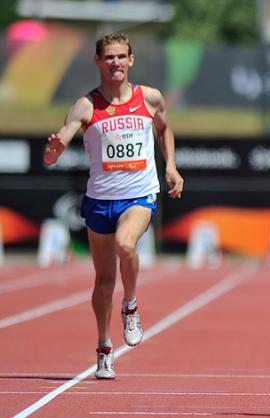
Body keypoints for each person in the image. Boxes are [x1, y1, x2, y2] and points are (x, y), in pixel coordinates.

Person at [43, 32, 184, 379]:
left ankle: (131, 304)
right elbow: (52, 153)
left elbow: (164, 129)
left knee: (126, 243)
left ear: (131, 60)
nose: (116, 63)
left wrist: (170, 166)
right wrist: (53, 151)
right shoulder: (86, 106)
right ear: (98, 61)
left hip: (139, 195)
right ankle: (104, 348)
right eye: (109, 58)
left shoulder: (149, 98)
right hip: (99, 201)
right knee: (104, 282)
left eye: (121, 57)